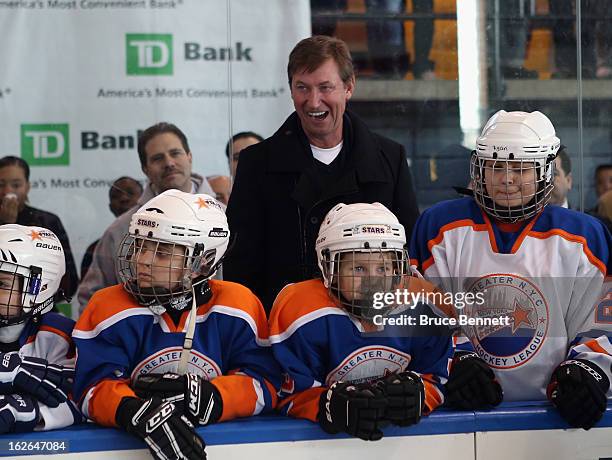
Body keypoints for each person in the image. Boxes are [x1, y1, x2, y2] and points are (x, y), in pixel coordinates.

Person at [410, 110, 611, 429]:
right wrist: (452, 359)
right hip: (460, 418)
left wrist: (588, 368)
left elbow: (602, 319)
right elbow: (417, 312)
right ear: (480, 168)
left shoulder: (584, 236)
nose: (506, 178)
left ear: (544, 171)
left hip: (552, 417)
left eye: (520, 168)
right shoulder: (439, 227)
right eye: (496, 166)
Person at [73, 190, 281, 460]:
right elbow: (91, 389)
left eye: (161, 253)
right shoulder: (107, 306)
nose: (142, 261)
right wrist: (135, 412)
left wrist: (216, 397)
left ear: (203, 262)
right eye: (140, 247)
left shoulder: (238, 304)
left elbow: (267, 383)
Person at [225, 35, 420, 312]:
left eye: (325, 87)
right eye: (302, 87)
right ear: (291, 90)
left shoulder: (391, 158)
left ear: (348, 87)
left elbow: (410, 253)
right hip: (287, 326)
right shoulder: (257, 163)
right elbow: (241, 265)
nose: (314, 102)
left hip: (373, 324)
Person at [269, 202, 455, 441]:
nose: (373, 282)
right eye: (357, 268)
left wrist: (419, 394)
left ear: (399, 267)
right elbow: (287, 394)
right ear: (329, 267)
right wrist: (329, 405)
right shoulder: (303, 311)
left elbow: (439, 376)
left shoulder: (423, 304)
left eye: (383, 268)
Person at [76, 122, 215, 310]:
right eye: (158, 158)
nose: (169, 163)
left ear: (189, 157)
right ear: (145, 169)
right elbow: (91, 300)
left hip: (214, 337)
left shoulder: (227, 217)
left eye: (175, 153)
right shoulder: (121, 230)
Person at [0, 224, 81, 433]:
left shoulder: (57, 335)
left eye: (2, 284)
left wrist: (26, 411)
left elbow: (78, 399)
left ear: (39, 287)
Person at [0, 156, 78, 299]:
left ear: (27, 187)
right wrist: (5, 227)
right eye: (0, 184)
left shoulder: (47, 222)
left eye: (16, 185)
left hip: (40, 308)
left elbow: (69, 282)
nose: (7, 192)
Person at [80, 176, 143, 280]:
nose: (124, 199)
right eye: (116, 196)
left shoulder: (159, 241)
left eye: (130, 193)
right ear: (111, 208)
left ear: (144, 200)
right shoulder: (96, 249)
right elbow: (91, 292)